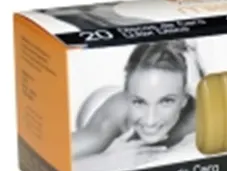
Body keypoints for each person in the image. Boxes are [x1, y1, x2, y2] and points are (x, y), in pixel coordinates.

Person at [72, 41, 201, 159]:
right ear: (127, 97)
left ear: (184, 99)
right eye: (139, 102)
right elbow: (61, 156)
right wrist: (106, 160)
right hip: (99, 104)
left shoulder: (198, 117)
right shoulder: (117, 114)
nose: (150, 121)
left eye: (166, 101)